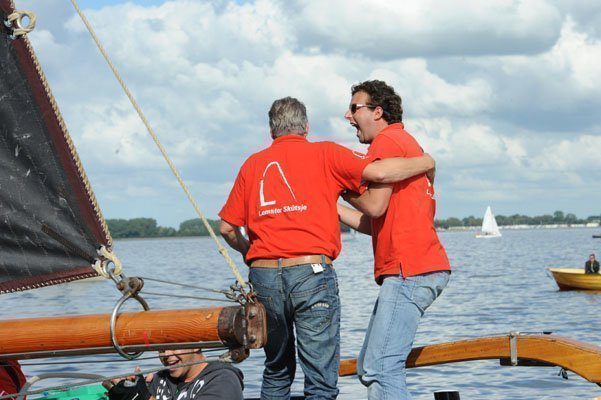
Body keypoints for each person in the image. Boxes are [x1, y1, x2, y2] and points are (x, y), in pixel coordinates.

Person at [218, 96, 436, 399]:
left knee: (277, 371)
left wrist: (247, 252)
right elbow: (379, 173)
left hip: (264, 274)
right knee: (320, 378)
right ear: (306, 127)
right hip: (310, 271)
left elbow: (227, 227)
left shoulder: (252, 164)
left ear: (272, 131)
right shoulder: (326, 153)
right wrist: (426, 161)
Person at [337, 80, 451, 400]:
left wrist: (339, 184)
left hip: (410, 268)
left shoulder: (386, 141)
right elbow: (374, 221)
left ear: (377, 112)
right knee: (368, 366)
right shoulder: (406, 143)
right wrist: (330, 204)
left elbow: (374, 205)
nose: (347, 116)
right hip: (419, 267)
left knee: (382, 368)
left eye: (354, 108)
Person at [106, 349, 243, 400]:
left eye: (173, 346)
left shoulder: (223, 380)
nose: (166, 355)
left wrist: (144, 398)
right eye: (161, 349)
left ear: (196, 344)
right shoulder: (160, 379)